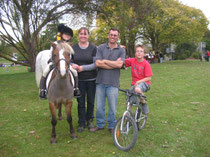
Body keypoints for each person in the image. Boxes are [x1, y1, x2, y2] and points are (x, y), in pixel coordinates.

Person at [90, 28, 126, 133]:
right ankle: (100, 125)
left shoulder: (121, 50)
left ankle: (111, 126)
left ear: (118, 37)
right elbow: (97, 63)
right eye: (111, 34)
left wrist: (105, 61)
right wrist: (113, 64)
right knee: (99, 107)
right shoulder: (101, 48)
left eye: (115, 35)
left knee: (112, 108)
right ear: (108, 35)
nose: (113, 37)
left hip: (113, 83)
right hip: (100, 81)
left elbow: (120, 64)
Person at [39, 24, 81, 99]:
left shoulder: (69, 45)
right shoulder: (55, 43)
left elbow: (70, 56)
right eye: (65, 34)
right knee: (45, 71)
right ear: (62, 34)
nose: (67, 36)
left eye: (69, 35)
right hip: (55, 62)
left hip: (67, 64)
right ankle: (43, 90)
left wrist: (69, 64)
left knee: (74, 72)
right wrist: (52, 62)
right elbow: (51, 54)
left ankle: (76, 89)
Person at [71, 27, 97, 132]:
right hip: (79, 80)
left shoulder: (93, 48)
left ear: (88, 36)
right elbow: (70, 60)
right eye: (81, 34)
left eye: (85, 34)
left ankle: (89, 120)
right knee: (80, 102)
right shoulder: (74, 48)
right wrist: (73, 65)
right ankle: (81, 122)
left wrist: (83, 68)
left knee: (90, 101)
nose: (83, 36)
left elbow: (96, 64)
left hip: (92, 79)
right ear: (78, 35)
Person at [125, 45, 153, 115]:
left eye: (141, 51)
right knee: (129, 101)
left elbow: (149, 78)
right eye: (137, 51)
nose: (139, 53)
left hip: (145, 83)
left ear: (144, 54)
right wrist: (121, 50)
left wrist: (138, 81)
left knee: (137, 89)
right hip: (134, 84)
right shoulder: (132, 61)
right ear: (135, 53)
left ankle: (143, 103)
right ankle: (128, 118)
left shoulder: (146, 64)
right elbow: (122, 61)